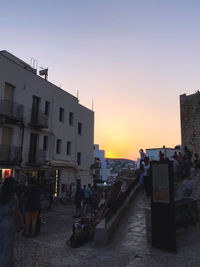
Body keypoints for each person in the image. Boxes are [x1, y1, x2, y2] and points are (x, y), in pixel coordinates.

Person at [0, 177, 24, 267]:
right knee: (7, 247)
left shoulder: (1, 194)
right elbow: (16, 211)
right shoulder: (14, 197)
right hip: (8, 222)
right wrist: (22, 222)